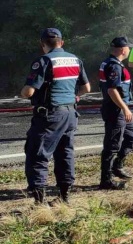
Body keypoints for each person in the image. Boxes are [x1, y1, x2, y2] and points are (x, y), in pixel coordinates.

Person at [21, 28, 90, 204]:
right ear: (62, 42)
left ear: (42, 44)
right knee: (65, 153)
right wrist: (73, 96)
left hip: (50, 115)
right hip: (70, 113)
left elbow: (29, 91)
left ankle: (39, 203)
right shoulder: (75, 59)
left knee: (38, 154)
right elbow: (86, 88)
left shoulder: (43, 61)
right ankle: (64, 197)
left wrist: (23, 91)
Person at [99, 37, 133, 190]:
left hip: (120, 110)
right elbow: (112, 90)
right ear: (123, 50)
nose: (130, 50)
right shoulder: (114, 66)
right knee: (112, 145)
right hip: (115, 110)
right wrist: (125, 108)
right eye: (129, 48)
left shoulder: (112, 63)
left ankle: (118, 165)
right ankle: (106, 180)